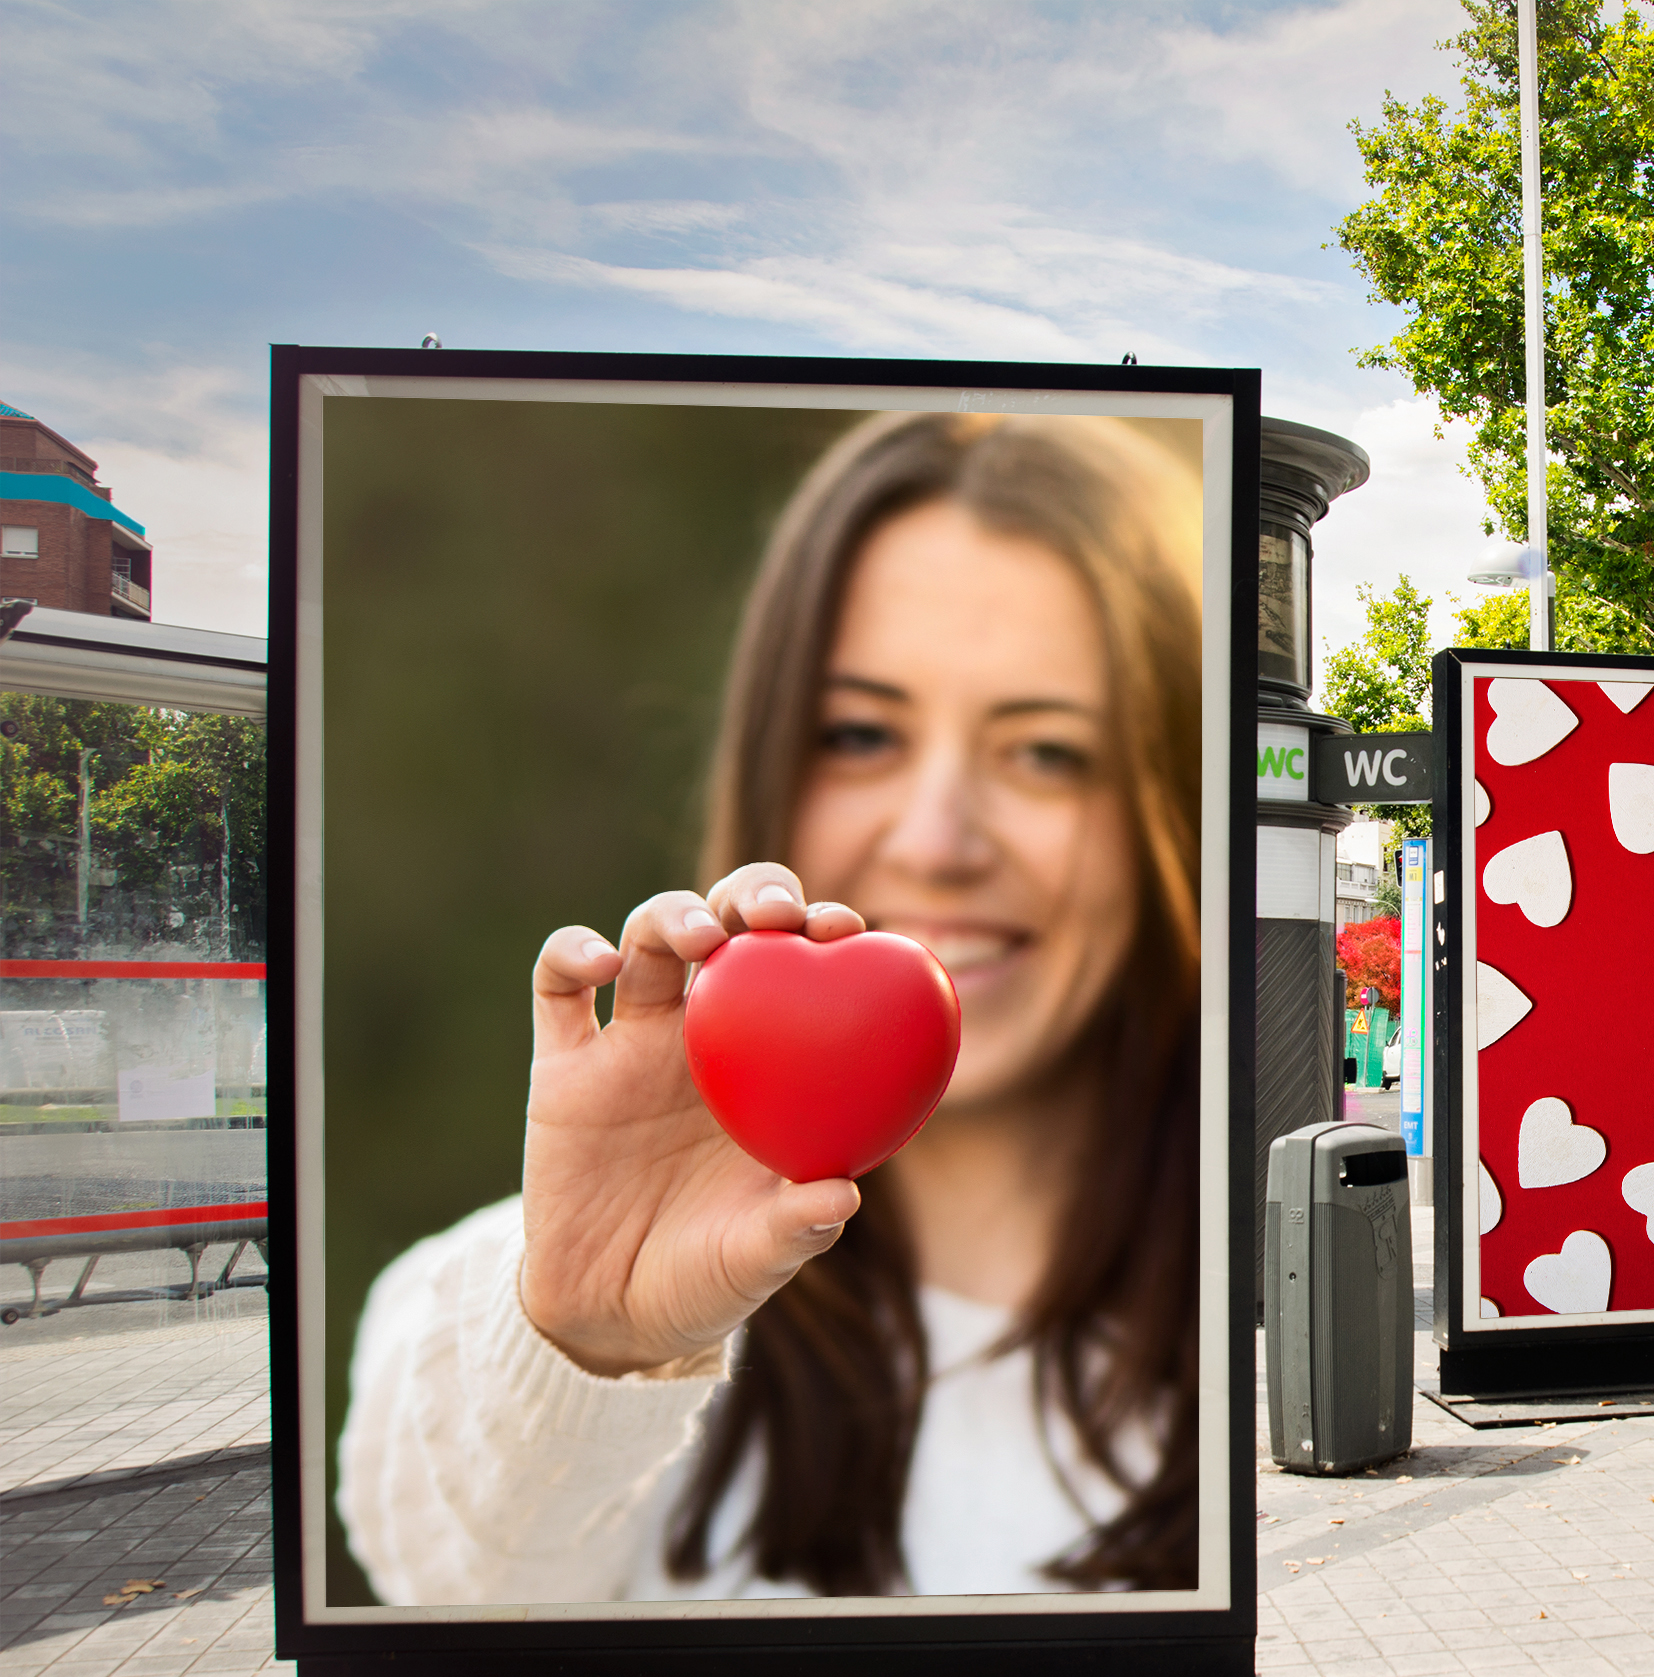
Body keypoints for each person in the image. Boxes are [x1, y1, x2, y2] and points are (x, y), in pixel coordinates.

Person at [338, 412, 1204, 1604]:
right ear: (769, 761)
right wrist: (589, 1343)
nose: (939, 840)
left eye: (1048, 750)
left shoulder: (1244, 1315)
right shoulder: (487, 1310)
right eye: (861, 733)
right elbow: (454, 1589)